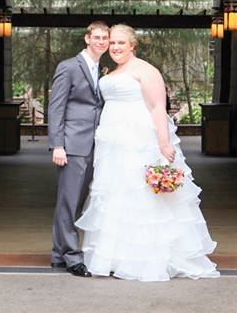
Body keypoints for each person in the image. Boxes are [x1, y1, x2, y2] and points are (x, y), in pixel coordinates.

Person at [76, 24, 219, 281]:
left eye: (122, 43)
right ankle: (115, 256)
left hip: (138, 139)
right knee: (115, 195)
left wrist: (164, 143)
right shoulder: (111, 71)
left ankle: (146, 259)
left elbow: (156, 107)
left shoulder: (146, 70)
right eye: (113, 43)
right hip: (112, 143)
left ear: (133, 45)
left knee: (140, 195)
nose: (116, 47)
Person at [48, 21, 110, 278]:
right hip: (72, 145)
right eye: (96, 37)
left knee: (74, 201)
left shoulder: (102, 69)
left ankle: (58, 254)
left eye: (105, 38)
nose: (101, 42)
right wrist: (57, 145)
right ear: (87, 38)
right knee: (69, 201)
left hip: (94, 142)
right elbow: (56, 107)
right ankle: (73, 257)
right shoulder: (69, 67)